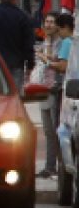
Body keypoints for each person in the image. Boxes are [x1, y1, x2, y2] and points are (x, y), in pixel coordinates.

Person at [34, 13, 64, 179]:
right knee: (48, 131)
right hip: (43, 89)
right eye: (47, 21)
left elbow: (58, 62)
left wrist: (44, 57)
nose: (49, 25)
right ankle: (49, 166)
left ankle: (59, 166)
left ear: (58, 25)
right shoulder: (45, 42)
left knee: (55, 130)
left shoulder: (62, 43)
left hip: (55, 89)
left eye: (52, 22)